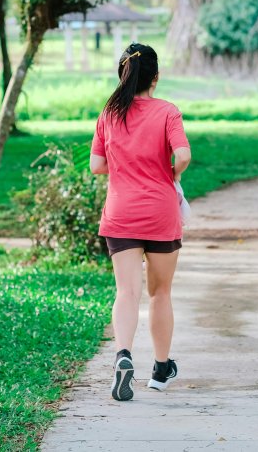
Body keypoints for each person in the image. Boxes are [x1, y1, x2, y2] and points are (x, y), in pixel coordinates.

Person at [90, 42, 191, 402]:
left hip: (120, 214)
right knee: (160, 292)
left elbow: (97, 165)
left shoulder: (109, 114)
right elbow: (183, 154)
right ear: (156, 77)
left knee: (126, 292)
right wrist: (170, 174)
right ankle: (161, 370)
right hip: (160, 212)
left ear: (123, 74)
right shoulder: (167, 112)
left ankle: (123, 356)